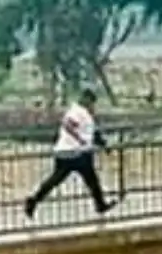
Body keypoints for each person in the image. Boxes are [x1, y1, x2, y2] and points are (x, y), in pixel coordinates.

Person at [24, 88, 114, 219]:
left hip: (71, 152)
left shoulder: (82, 113)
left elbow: (92, 133)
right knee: (89, 180)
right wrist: (80, 140)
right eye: (92, 103)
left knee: (58, 180)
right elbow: (68, 125)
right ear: (87, 100)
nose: (93, 106)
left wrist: (103, 145)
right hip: (76, 152)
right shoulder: (78, 112)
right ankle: (100, 204)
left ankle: (34, 200)